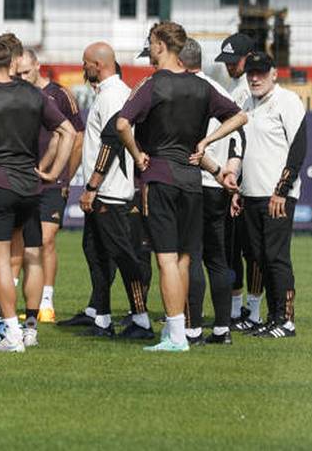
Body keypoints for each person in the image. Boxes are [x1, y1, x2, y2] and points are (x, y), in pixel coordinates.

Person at [115, 22, 247, 352]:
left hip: (160, 177)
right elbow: (240, 117)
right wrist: (206, 141)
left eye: (151, 42)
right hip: (192, 182)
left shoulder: (152, 84)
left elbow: (122, 123)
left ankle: (175, 335)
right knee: (185, 259)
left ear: (161, 46)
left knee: (166, 260)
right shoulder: (202, 87)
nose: (150, 48)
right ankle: (182, 330)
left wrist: (138, 155)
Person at [0, 38, 76, 352]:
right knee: (31, 257)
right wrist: (53, 172)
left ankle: (11, 334)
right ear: (12, 63)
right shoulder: (35, 94)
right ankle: (29, 329)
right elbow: (68, 132)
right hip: (31, 187)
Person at [74, 42, 154, 340]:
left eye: (86, 63)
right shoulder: (109, 93)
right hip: (103, 191)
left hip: (110, 192)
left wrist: (92, 186)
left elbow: (112, 142)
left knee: (123, 256)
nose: (83, 68)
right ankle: (102, 319)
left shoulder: (114, 95)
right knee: (95, 253)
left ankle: (141, 320)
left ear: (98, 64)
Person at [232, 52, 306, 339]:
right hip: (251, 194)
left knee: (276, 257)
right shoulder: (245, 103)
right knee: (259, 258)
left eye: (261, 73)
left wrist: (282, 191)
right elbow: (242, 149)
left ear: (274, 74)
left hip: (277, 195)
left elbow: (298, 148)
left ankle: (286, 321)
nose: (255, 78)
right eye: (251, 72)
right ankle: (273, 317)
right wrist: (238, 188)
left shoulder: (287, 101)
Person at [182, 38, 243, 345]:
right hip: (218, 188)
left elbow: (189, 144)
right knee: (217, 260)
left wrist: (216, 169)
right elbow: (239, 137)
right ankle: (222, 329)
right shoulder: (220, 91)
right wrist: (230, 172)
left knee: (191, 257)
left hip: (193, 183)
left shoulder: (183, 91)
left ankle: (192, 329)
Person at [16, 49, 85, 323]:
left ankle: (47, 301)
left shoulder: (60, 94)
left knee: (45, 239)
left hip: (53, 181)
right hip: (23, 179)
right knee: (25, 243)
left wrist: (65, 177)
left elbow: (77, 138)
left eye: (26, 72)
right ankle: (20, 301)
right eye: (17, 73)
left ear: (37, 65)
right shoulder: (16, 95)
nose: (22, 77)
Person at [214, 32, 263, 327]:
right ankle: (235, 309)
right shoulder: (233, 88)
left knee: (251, 249)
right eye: (227, 61)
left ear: (249, 57)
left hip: (249, 179)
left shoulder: (253, 90)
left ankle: (253, 310)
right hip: (232, 176)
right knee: (231, 249)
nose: (230, 65)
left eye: (235, 60)